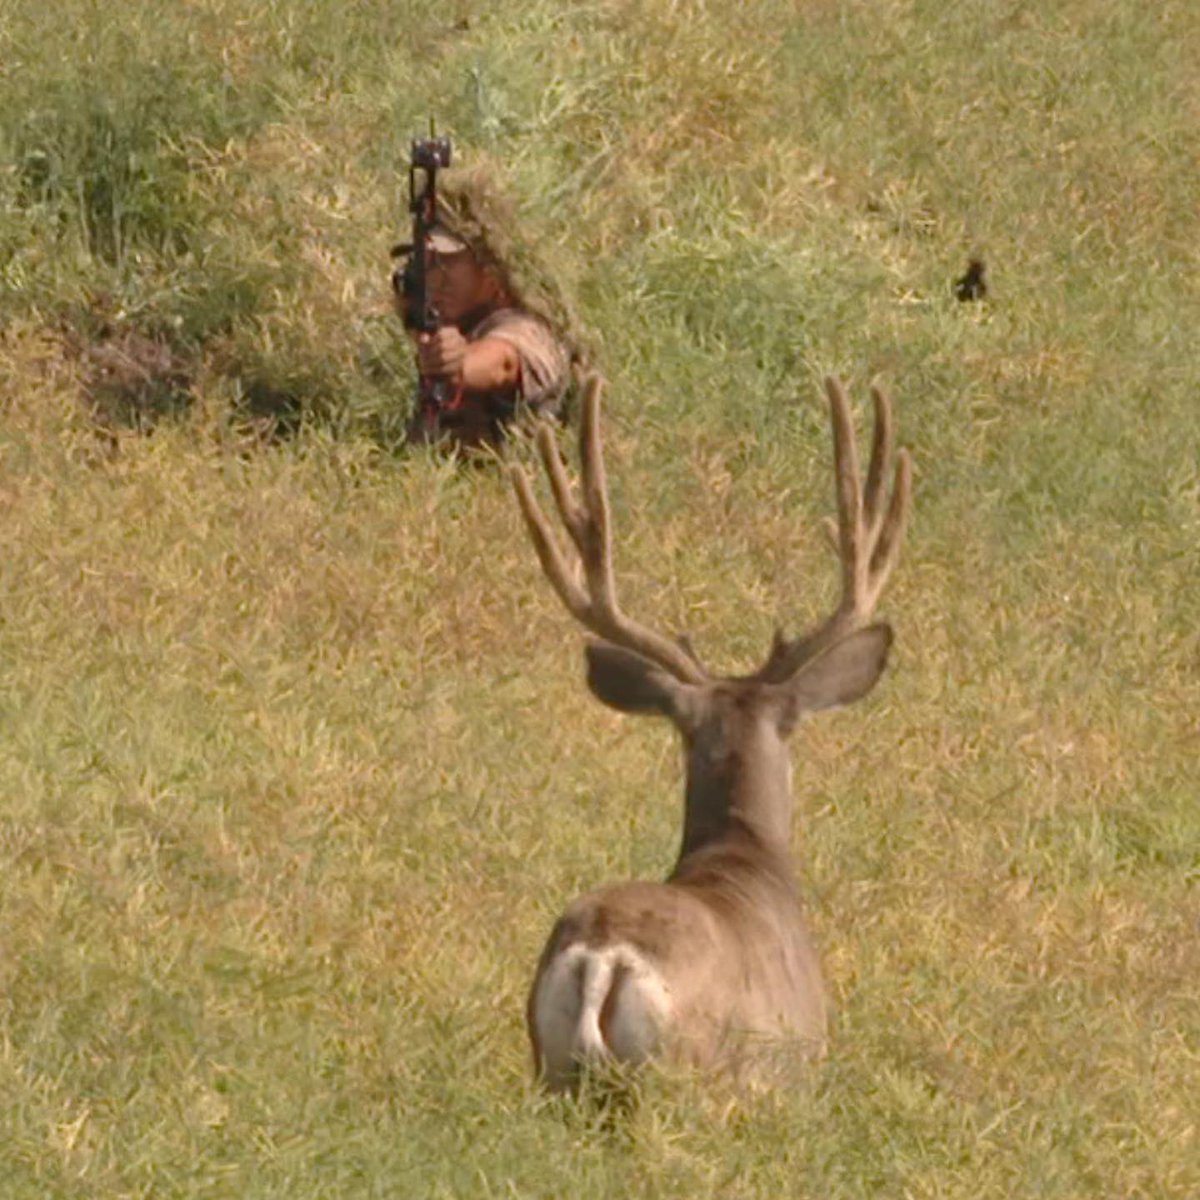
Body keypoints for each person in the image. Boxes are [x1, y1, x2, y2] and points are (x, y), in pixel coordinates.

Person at [392, 169, 574, 451]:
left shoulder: (529, 327)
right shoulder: (452, 320)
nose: (431, 276)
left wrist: (458, 362)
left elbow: (503, 364)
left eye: (445, 262)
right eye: (423, 261)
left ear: (491, 268)